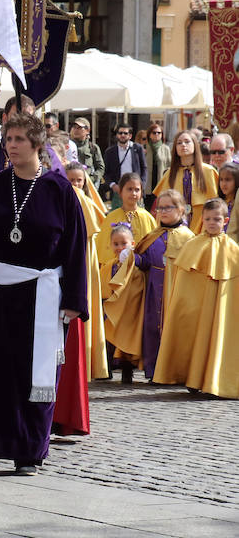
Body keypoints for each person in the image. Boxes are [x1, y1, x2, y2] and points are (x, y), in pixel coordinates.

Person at [0, 113, 87, 477]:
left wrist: (74, 300)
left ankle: (27, 450)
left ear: (37, 145)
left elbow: (75, 248)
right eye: (8, 139)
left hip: (39, 297)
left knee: (30, 376)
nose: (11, 146)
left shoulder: (59, 190)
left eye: (19, 140)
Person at [104, 190, 194, 381]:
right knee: (153, 330)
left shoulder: (188, 237)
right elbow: (145, 261)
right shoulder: (153, 236)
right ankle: (154, 372)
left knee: (175, 331)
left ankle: (175, 372)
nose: (162, 212)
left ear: (180, 209)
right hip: (154, 293)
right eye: (160, 208)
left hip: (176, 293)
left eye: (168, 207)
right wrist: (132, 257)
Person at [153, 199, 239, 398]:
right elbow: (183, 283)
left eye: (216, 219)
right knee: (194, 336)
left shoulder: (232, 249)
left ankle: (213, 380)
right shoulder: (194, 245)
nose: (211, 223)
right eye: (208, 219)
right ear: (202, 219)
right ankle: (192, 376)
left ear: (225, 220)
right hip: (198, 308)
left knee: (216, 338)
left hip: (219, 309)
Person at [65, 162, 109, 382]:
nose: (74, 185)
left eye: (78, 181)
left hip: (85, 260)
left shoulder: (87, 203)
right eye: (70, 180)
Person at [153, 130, 219, 234]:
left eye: (187, 141)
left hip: (202, 226)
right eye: (179, 143)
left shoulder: (209, 171)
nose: (183, 145)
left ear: (195, 145)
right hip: (175, 229)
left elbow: (215, 204)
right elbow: (162, 206)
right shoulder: (169, 174)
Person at [97, 173, 157, 266]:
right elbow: (103, 250)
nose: (133, 193)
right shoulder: (111, 217)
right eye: (129, 189)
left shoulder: (147, 217)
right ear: (120, 192)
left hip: (141, 271)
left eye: (137, 190)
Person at [103, 124, 147, 208]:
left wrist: (142, 185)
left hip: (135, 190)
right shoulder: (110, 152)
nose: (122, 135)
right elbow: (105, 172)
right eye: (120, 133)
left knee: (136, 216)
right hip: (118, 191)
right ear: (117, 135)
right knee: (118, 218)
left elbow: (144, 168)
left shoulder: (137, 149)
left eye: (125, 133)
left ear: (130, 136)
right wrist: (112, 185)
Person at [69, 117, 105, 188]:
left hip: (88, 186)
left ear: (87, 131)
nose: (76, 130)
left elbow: (100, 168)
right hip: (70, 185)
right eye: (74, 127)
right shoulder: (66, 146)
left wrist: (91, 179)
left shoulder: (93, 147)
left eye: (79, 128)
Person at [144, 123, 171, 201]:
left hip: (160, 180)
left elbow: (169, 166)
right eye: (154, 132)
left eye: (159, 132)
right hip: (147, 182)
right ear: (149, 134)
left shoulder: (166, 149)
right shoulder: (144, 148)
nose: (156, 134)